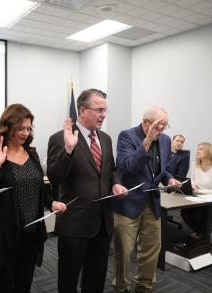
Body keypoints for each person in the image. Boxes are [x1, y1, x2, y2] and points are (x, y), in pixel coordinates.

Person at [0, 103, 67, 293]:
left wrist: (51, 202)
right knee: (4, 283)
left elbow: (40, 188)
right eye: (20, 129)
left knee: (24, 283)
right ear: (7, 128)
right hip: (6, 233)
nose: (25, 133)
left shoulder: (31, 153)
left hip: (32, 231)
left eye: (28, 128)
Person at [47, 88, 126, 293]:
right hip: (74, 223)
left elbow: (112, 170)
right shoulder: (60, 138)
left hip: (102, 222)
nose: (103, 115)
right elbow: (55, 178)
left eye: (105, 110)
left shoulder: (106, 139)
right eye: (99, 110)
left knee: (96, 278)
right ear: (82, 110)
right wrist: (68, 150)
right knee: (69, 279)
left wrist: (116, 183)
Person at [113, 106, 180, 293]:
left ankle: (144, 286)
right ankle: (121, 287)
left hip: (152, 201)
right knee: (125, 251)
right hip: (128, 202)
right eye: (159, 126)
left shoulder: (166, 140)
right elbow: (126, 167)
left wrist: (169, 179)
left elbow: (161, 168)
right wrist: (148, 141)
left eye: (165, 126)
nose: (162, 131)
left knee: (152, 249)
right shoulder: (126, 136)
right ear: (145, 123)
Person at [181, 142, 212, 239]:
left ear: (209, 152)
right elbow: (192, 180)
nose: (198, 151)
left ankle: (206, 235)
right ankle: (202, 233)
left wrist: (200, 191)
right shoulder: (195, 164)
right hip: (199, 198)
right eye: (198, 148)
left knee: (197, 213)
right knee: (185, 212)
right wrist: (193, 186)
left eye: (201, 149)